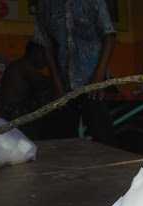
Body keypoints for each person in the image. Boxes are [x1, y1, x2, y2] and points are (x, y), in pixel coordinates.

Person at [34, 0, 116, 143]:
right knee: (65, 138)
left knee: (102, 136)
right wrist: (57, 83)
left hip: (94, 81)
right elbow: (46, 44)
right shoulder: (45, 5)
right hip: (64, 85)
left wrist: (98, 77)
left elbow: (109, 36)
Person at [0, 41, 53, 139]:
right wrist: (53, 66)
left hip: (15, 113)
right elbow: (46, 83)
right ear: (35, 53)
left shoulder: (19, 65)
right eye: (44, 55)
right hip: (15, 114)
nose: (46, 61)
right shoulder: (23, 66)